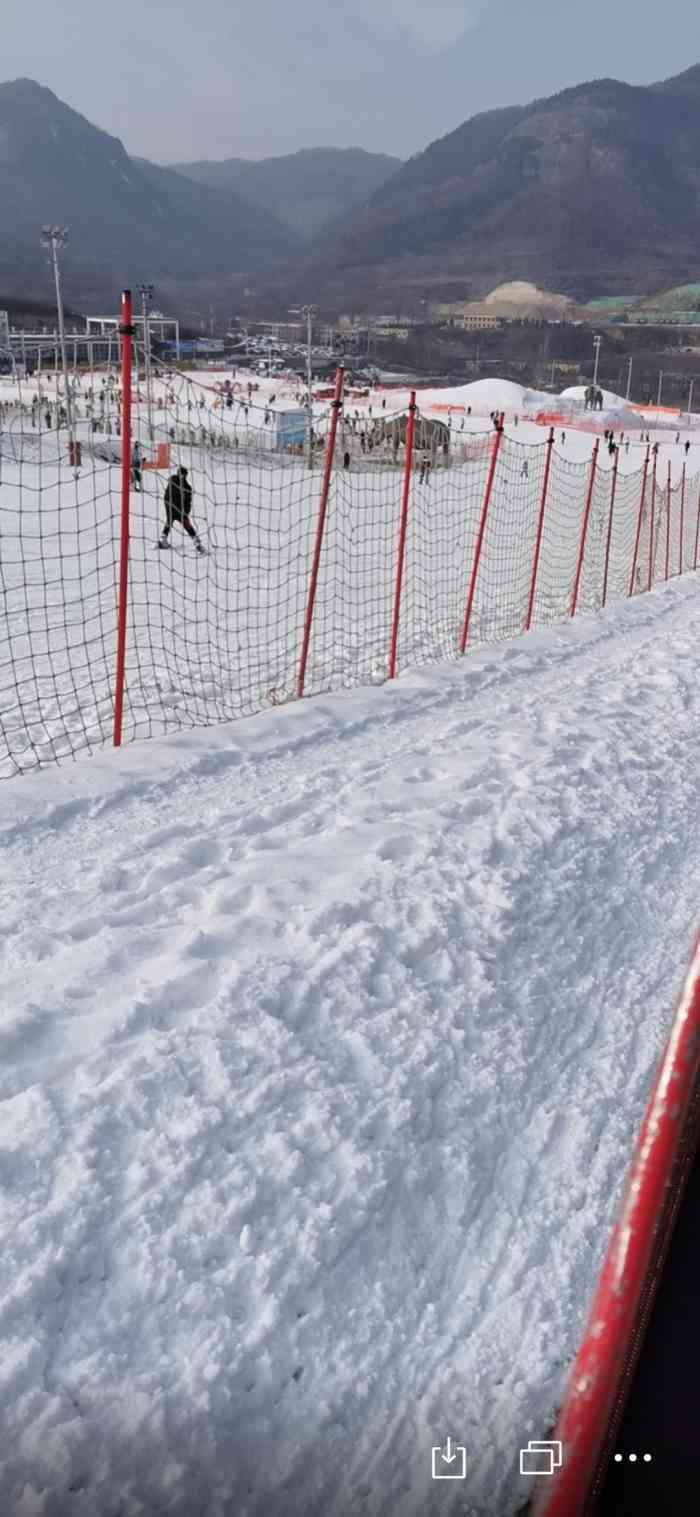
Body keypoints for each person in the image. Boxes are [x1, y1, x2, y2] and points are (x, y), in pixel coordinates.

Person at [159, 466, 205, 553]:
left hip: (179, 510)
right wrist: (169, 508)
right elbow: (167, 497)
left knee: (173, 523)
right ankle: (197, 544)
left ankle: (163, 539)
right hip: (175, 510)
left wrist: (185, 512)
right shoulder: (175, 483)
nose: (182, 476)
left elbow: (188, 501)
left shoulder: (185, 486)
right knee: (182, 524)